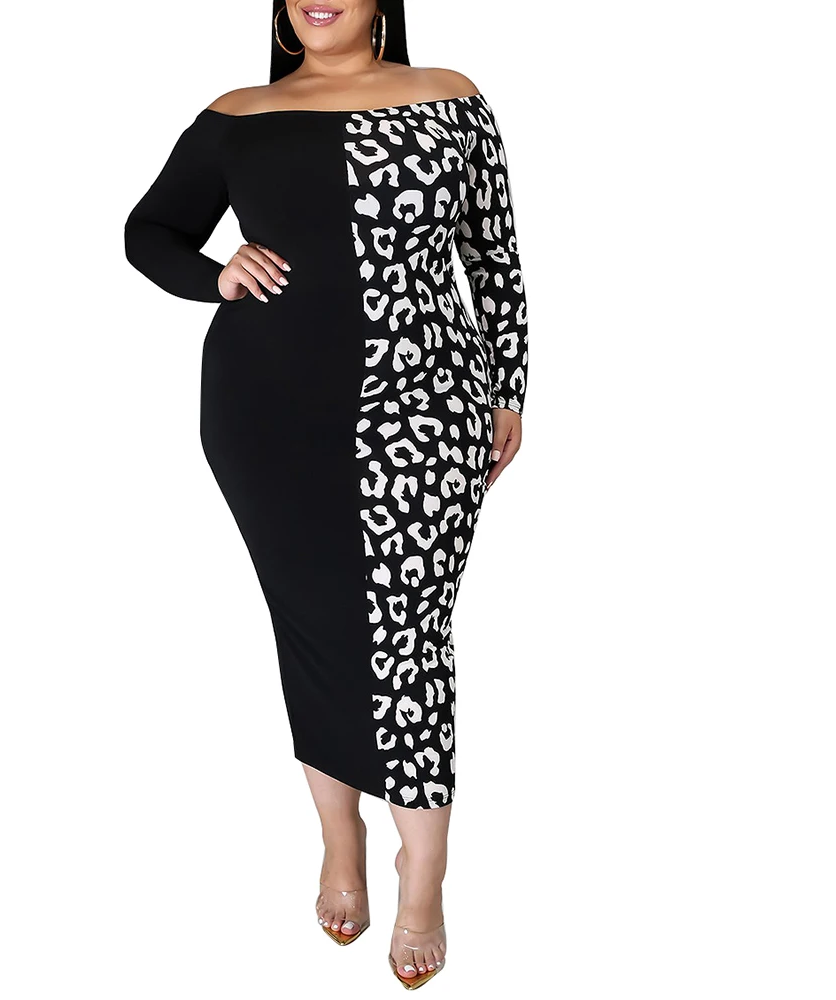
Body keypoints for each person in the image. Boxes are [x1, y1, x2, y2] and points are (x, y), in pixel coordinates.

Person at [123, 0, 528, 988]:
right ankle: (340, 836)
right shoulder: (239, 113)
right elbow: (149, 231)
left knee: (409, 632)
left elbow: (493, 258)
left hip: (426, 402)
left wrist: (509, 387)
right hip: (266, 411)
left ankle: (423, 872)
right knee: (313, 624)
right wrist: (217, 274)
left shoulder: (448, 97)